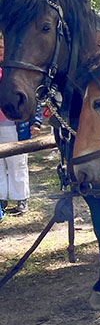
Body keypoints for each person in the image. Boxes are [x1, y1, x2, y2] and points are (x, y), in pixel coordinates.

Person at [0, 36, 41, 216]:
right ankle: (1, 198)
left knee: (17, 163)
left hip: (15, 124)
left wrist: (36, 121)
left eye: (2, 47)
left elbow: (33, 96)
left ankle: (21, 198)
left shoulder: (18, 70)